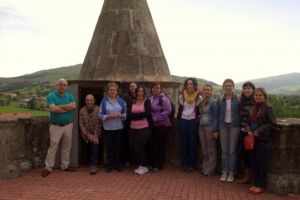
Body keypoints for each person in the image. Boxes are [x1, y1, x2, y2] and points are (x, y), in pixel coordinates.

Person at [42, 78, 76, 177]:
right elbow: (52, 108)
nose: (62, 86)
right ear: (57, 85)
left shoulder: (70, 96)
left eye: (64, 85)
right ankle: (48, 168)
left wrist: (59, 107)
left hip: (68, 125)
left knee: (67, 146)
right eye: (61, 84)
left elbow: (73, 106)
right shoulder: (51, 95)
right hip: (56, 126)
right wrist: (66, 108)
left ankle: (64, 166)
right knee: (53, 146)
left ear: (67, 86)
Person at [247, 88, 276, 195]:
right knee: (253, 163)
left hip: (263, 140)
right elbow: (249, 122)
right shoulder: (253, 108)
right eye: (256, 95)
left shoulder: (268, 108)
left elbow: (273, 123)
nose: (257, 96)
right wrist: (249, 130)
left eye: (260, 95)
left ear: (264, 96)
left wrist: (259, 130)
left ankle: (260, 185)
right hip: (252, 140)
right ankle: (255, 184)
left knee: (261, 164)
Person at [98, 82, 126, 172]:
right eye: (110, 90)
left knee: (117, 147)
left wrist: (120, 115)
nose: (112, 91)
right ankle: (110, 165)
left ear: (116, 91)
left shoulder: (121, 101)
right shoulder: (104, 101)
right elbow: (99, 115)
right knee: (109, 147)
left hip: (119, 127)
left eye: (114, 90)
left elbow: (126, 114)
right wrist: (108, 117)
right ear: (108, 91)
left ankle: (117, 164)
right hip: (108, 128)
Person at [177, 78, 202, 171]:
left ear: (194, 85)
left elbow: (199, 109)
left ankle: (192, 164)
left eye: (191, 84)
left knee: (192, 143)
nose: (189, 86)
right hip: (183, 120)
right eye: (188, 84)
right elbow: (180, 108)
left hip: (193, 120)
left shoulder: (199, 97)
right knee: (184, 143)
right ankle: (184, 163)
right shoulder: (181, 96)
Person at [218, 78, 240, 182]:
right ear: (223, 87)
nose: (228, 87)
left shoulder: (237, 98)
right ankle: (224, 172)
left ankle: (231, 173)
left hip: (234, 126)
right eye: (226, 86)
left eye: (229, 85)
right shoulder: (221, 98)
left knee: (232, 151)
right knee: (224, 151)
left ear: (233, 87)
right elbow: (218, 114)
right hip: (223, 126)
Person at [128, 86, 152, 175]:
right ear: (136, 92)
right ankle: (140, 164)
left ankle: (143, 166)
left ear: (144, 92)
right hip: (132, 127)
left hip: (144, 128)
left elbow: (147, 113)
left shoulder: (147, 101)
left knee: (139, 147)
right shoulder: (133, 101)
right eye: (139, 91)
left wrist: (135, 116)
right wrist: (140, 116)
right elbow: (129, 115)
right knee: (132, 147)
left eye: (142, 91)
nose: (140, 93)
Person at [147, 82, 171, 171]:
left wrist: (156, 118)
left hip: (162, 125)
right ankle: (153, 163)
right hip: (152, 125)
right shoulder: (149, 98)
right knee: (152, 145)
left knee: (160, 145)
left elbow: (168, 110)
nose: (155, 89)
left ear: (160, 89)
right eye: (154, 88)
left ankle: (158, 164)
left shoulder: (164, 99)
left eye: (157, 88)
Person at [198, 84, 219, 176]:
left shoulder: (214, 102)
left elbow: (216, 117)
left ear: (211, 91)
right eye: (205, 90)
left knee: (211, 149)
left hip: (210, 127)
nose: (206, 91)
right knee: (204, 148)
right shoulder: (202, 101)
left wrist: (215, 130)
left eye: (208, 90)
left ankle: (210, 170)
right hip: (201, 126)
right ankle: (204, 168)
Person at [237, 81, 255, 184]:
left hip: (250, 133)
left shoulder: (255, 101)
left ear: (253, 90)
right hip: (242, 131)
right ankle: (248, 176)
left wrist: (252, 130)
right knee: (243, 154)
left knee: (249, 154)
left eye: (249, 88)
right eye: (245, 88)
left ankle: (251, 177)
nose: (247, 90)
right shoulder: (242, 101)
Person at [79, 94, 101, 175]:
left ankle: (94, 165)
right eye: (87, 100)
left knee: (94, 145)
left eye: (91, 100)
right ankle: (87, 162)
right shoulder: (82, 110)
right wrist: (88, 135)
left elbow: (99, 123)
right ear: (85, 101)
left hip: (96, 133)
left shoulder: (98, 109)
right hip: (86, 134)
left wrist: (94, 135)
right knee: (87, 148)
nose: (89, 102)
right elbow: (81, 124)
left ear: (94, 101)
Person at [122, 82, 137, 167]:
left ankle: (136, 160)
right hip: (127, 122)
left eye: (134, 86)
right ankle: (127, 159)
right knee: (127, 141)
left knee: (136, 142)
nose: (132, 88)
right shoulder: (126, 97)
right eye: (131, 86)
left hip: (138, 122)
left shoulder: (140, 97)